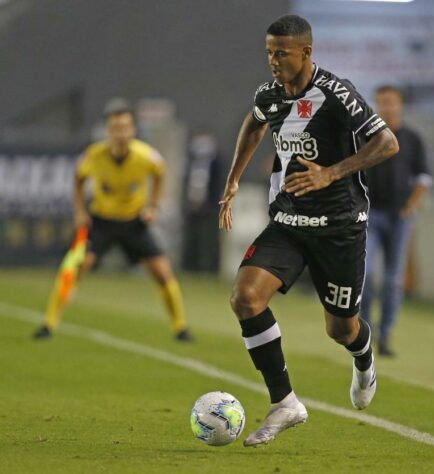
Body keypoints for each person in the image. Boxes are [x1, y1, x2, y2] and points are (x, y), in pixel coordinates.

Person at [218, 15, 398, 447]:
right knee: (245, 297)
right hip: (289, 223)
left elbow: (386, 142)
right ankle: (285, 403)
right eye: (269, 53)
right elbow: (255, 122)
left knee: (340, 329)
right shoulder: (272, 94)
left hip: (340, 228)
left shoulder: (337, 94)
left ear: (306, 52)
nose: (273, 61)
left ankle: (364, 356)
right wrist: (234, 179)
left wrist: (331, 173)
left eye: (281, 53)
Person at [34, 99, 192, 341]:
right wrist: (79, 211)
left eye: (125, 127)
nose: (121, 133)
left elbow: (160, 174)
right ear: (108, 131)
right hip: (102, 222)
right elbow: (78, 180)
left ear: (132, 129)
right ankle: (49, 324)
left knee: (162, 271)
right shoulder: (93, 156)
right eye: (115, 128)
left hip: (133, 223)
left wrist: (153, 206)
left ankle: (180, 328)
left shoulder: (146, 156)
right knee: (75, 266)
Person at [360, 85, 431, 356]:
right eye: (381, 102)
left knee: (393, 280)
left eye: (390, 102)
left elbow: (424, 177)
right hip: (371, 214)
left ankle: (385, 333)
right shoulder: (367, 136)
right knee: (365, 276)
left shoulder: (412, 139)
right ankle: (364, 333)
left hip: (400, 217)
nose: (386, 107)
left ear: (400, 104)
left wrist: (412, 204)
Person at [182, 130, 225, 273]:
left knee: (209, 240)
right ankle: (189, 268)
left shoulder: (217, 162)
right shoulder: (191, 162)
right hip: (192, 206)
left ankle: (209, 269)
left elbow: (218, 184)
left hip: (210, 207)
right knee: (191, 238)